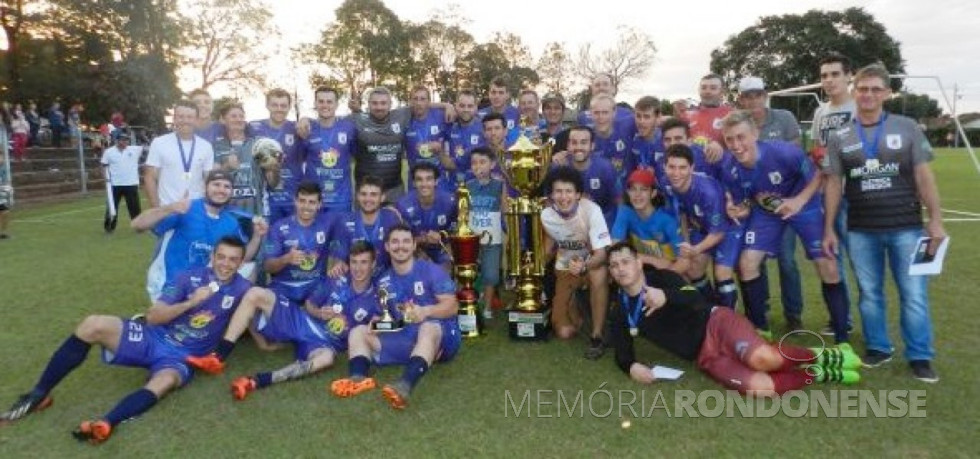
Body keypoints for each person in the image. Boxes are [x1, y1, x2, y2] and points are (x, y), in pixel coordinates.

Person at [0, 237, 254, 443]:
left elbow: (257, 310)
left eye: (233, 259)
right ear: (212, 256)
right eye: (221, 257)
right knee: (92, 324)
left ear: (242, 262)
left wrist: (264, 344)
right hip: (154, 336)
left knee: (164, 382)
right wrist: (192, 301)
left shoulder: (244, 289)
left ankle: (107, 422)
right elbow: (154, 316)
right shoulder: (189, 277)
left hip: (182, 358)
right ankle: (39, 394)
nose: (225, 264)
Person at [822, 64, 946, 383]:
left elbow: (923, 175)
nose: (869, 95)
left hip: (906, 226)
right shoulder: (840, 136)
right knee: (869, 292)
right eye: (863, 89)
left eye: (876, 89)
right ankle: (878, 347)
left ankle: (920, 356)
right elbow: (834, 183)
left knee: (914, 293)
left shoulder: (907, 127)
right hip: (861, 229)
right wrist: (828, 228)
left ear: (887, 93)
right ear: (854, 91)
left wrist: (935, 220)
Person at [605, 241, 860, 395]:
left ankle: (826, 355)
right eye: (614, 266)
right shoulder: (621, 309)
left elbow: (694, 298)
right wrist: (631, 367)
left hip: (717, 324)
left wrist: (666, 297)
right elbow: (623, 352)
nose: (621, 269)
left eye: (625, 262)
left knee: (763, 359)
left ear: (638, 263)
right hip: (705, 356)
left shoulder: (661, 279)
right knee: (761, 388)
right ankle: (817, 373)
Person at [185, 240, 381, 400]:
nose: (358, 268)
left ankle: (257, 381)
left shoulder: (377, 297)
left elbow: (390, 323)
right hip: (301, 321)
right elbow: (310, 304)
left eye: (364, 262)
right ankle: (217, 357)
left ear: (373, 264)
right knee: (255, 293)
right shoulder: (336, 279)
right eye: (354, 262)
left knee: (326, 359)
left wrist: (376, 325)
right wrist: (320, 313)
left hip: (324, 343)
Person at [718, 110, 849, 342]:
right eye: (730, 139)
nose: (736, 145)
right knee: (747, 263)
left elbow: (820, 174)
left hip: (804, 206)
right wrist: (740, 209)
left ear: (755, 134)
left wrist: (798, 201)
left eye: (741, 137)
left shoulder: (785, 153)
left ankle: (841, 338)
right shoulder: (729, 166)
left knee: (827, 265)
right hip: (768, 211)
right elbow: (746, 200)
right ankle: (760, 329)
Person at [330, 223, 460, 410]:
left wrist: (425, 311)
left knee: (427, 327)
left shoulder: (431, 270)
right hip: (406, 335)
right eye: (395, 242)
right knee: (359, 331)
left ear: (414, 245)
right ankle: (358, 378)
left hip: (442, 336)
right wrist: (378, 322)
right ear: (387, 247)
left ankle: (405, 385)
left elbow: (452, 306)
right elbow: (390, 320)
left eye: (406, 241)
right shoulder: (383, 281)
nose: (401, 246)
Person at [736, 76, 810, 332]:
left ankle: (794, 314)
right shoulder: (739, 124)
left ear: (765, 95)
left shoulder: (785, 118)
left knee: (787, 260)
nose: (752, 100)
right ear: (741, 99)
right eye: (747, 96)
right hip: (757, 206)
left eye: (756, 94)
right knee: (756, 260)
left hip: (787, 203)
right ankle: (761, 310)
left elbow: (795, 160)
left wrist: (785, 200)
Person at [132, 170, 265, 300]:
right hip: (169, 283)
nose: (221, 190)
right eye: (216, 184)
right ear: (205, 187)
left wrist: (257, 236)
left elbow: (243, 259)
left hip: (202, 290)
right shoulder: (186, 208)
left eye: (227, 186)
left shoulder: (231, 222)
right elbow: (137, 225)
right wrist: (169, 208)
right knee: (171, 316)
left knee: (248, 272)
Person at [540, 166, 612, 358]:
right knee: (564, 332)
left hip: (590, 264)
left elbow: (603, 254)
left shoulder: (591, 211)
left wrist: (584, 265)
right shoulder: (546, 215)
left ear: (578, 194)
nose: (564, 197)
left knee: (598, 272)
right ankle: (578, 307)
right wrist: (533, 269)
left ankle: (597, 335)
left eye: (569, 191)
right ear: (551, 195)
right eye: (558, 191)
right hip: (565, 268)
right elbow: (549, 245)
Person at [812, 53, 858, 338]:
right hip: (827, 195)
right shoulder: (820, 112)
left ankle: (871, 326)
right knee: (831, 258)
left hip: (855, 195)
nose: (829, 80)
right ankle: (842, 318)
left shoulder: (858, 107)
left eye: (834, 74)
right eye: (824, 75)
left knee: (860, 261)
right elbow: (818, 149)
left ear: (848, 76)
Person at [664, 144, 741, 309]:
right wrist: (686, 243)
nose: (676, 173)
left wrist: (695, 249)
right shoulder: (667, 184)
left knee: (722, 274)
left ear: (692, 168)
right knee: (693, 269)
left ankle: (729, 316)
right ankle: (712, 310)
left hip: (727, 229)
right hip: (702, 228)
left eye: (682, 168)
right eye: (671, 167)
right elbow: (683, 213)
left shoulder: (707, 192)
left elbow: (719, 233)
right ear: (665, 166)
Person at [263, 182, 335, 303]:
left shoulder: (327, 225)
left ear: (319, 205)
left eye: (312, 202)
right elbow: (267, 266)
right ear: (295, 201)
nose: (306, 206)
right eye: (302, 201)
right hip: (285, 287)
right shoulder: (278, 227)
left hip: (314, 288)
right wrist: (286, 259)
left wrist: (338, 262)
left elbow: (345, 240)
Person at [611, 169, 685, 273]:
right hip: (643, 268)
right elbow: (615, 247)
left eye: (644, 189)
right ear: (628, 192)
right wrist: (652, 260)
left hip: (671, 271)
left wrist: (669, 277)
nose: (637, 194)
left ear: (653, 193)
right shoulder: (625, 211)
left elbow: (685, 261)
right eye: (633, 189)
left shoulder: (667, 220)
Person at [144, 100, 215, 208]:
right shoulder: (159, 143)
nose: (185, 120)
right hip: (167, 207)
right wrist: (157, 209)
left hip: (196, 209)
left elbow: (208, 179)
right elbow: (149, 177)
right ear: (174, 119)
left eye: (189, 117)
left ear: (196, 120)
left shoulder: (206, 146)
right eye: (180, 116)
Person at [329, 175, 403, 277]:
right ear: (357, 196)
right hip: (356, 278)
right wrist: (338, 265)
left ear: (382, 197)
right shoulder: (345, 221)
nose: (368, 199)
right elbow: (338, 258)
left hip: (386, 278)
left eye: (373, 194)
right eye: (364, 194)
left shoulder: (391, 218)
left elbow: (402, 253)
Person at [464, 147, 507, 318]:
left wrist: (509, 234)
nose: (478, 166)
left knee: (491, 273)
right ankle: (471, 302)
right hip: (472, 238)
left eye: (482, 162)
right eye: (474, 163)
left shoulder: (499, 185)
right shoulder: (467, 186)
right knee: (470, 272)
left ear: (492, 165)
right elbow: (464, 212)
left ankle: (488, 307)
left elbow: (504, 209)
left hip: (493, 238)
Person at [301, 87, 357, 214]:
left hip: (341, 200)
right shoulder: (307, 128)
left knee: (340, 234)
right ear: (315, 104)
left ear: (336, 104)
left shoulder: (349, 128)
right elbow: (300, 159)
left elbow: (357, 154)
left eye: (329, 102)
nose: (325, 105)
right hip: (313, 200)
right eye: (321, 101)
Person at [250, 88, 302, 224]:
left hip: (292, 197)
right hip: (265, 197)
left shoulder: (297, 129)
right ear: (267, 105)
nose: (279, 109)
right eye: (275, 105)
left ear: (289, 107)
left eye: (283, 106)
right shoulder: (253, 127)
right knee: (267, 240)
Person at [553, 125, 619, 228]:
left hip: (602, 224)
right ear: (568, 145)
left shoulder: (605, 168)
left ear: (592, 145)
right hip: (568, 227)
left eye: (583, 142)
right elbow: (549, 202)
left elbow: (618, 201)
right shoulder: (558, 167)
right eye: (574, 142)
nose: (578, 147)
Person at [396, 163, 458, 272]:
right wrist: (423, 240)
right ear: (414, 183)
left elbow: (456, 231)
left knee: (443, 274)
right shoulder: (403, 205)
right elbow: (401, 241)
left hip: (441, 247)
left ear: (436, 181)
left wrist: (444, 239)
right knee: (423, 269)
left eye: (428, 179)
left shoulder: (450, 202)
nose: (424, 184)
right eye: (419, 180)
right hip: (416, 249)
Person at [405, 85, 451, 191]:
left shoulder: (441, 116)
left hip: (439, 180)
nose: (418, 103)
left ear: (429, 102)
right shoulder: (404, 119)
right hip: (416, 181)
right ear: (410, 101)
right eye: (415, 99)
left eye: (422, 99)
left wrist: (448, 106)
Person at [674, 73, 730, 160]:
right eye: (704, 88)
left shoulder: (731, 115)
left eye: (713, 88)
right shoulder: (687, 115)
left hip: (720, 170)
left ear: (722, 92)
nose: (707, 91)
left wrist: (721, 147)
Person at [101, 130, 143, 233]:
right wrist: (106, 178)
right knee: (112, 207)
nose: (124, 142)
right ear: (117, 140)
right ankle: (109, 227)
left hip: (131, 184)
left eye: (126, 140)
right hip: (115, 184)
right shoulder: (109, 152)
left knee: (135, 208)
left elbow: (152, 148)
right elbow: (103, 165)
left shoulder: (135, 149)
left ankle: (139, 227)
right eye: (122, 140)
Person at [445, 89, 485, 185]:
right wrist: (446, 105)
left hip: (478, 187)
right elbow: (426, 105)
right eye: (462, 105)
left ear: (476, 107)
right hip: (454, 186)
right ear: (456, 106)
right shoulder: (449, 125)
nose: (466, 109)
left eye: (470, 106)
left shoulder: (485, 128)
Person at [626, 96, 663, 175]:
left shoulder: (667, 141)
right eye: (638, 116)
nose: (641, 121)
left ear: (658, 117)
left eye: (647, 117)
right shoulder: (634, 141)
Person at [0, 150, 11, 239]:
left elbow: (4, 181)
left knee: (5, 212)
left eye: (2, 157)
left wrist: (7, 187)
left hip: (0, 196)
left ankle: (3, 233)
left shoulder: (2, 169)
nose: (2, 159)